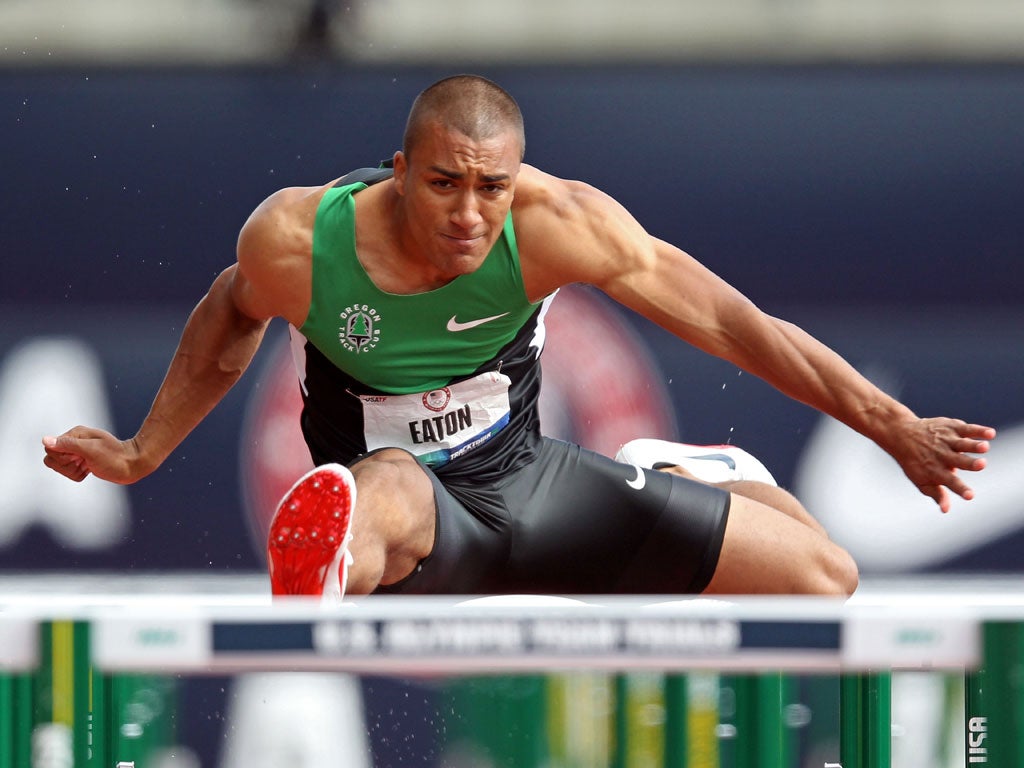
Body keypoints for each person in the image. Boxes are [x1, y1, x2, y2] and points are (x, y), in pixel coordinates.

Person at [42, 74, 994, 600]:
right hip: (408, 510)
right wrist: (140, 450)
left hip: (531, 483)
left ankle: (699, 475)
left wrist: (891, 426)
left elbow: (736, 326)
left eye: (490, 187)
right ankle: (335, 566)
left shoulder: (562, 224)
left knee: (827, 580)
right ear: (400, 171)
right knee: (379, 495)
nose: (468, 213)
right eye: (445, 183)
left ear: (518, 180)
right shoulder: (301, 240)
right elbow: (228, 313)